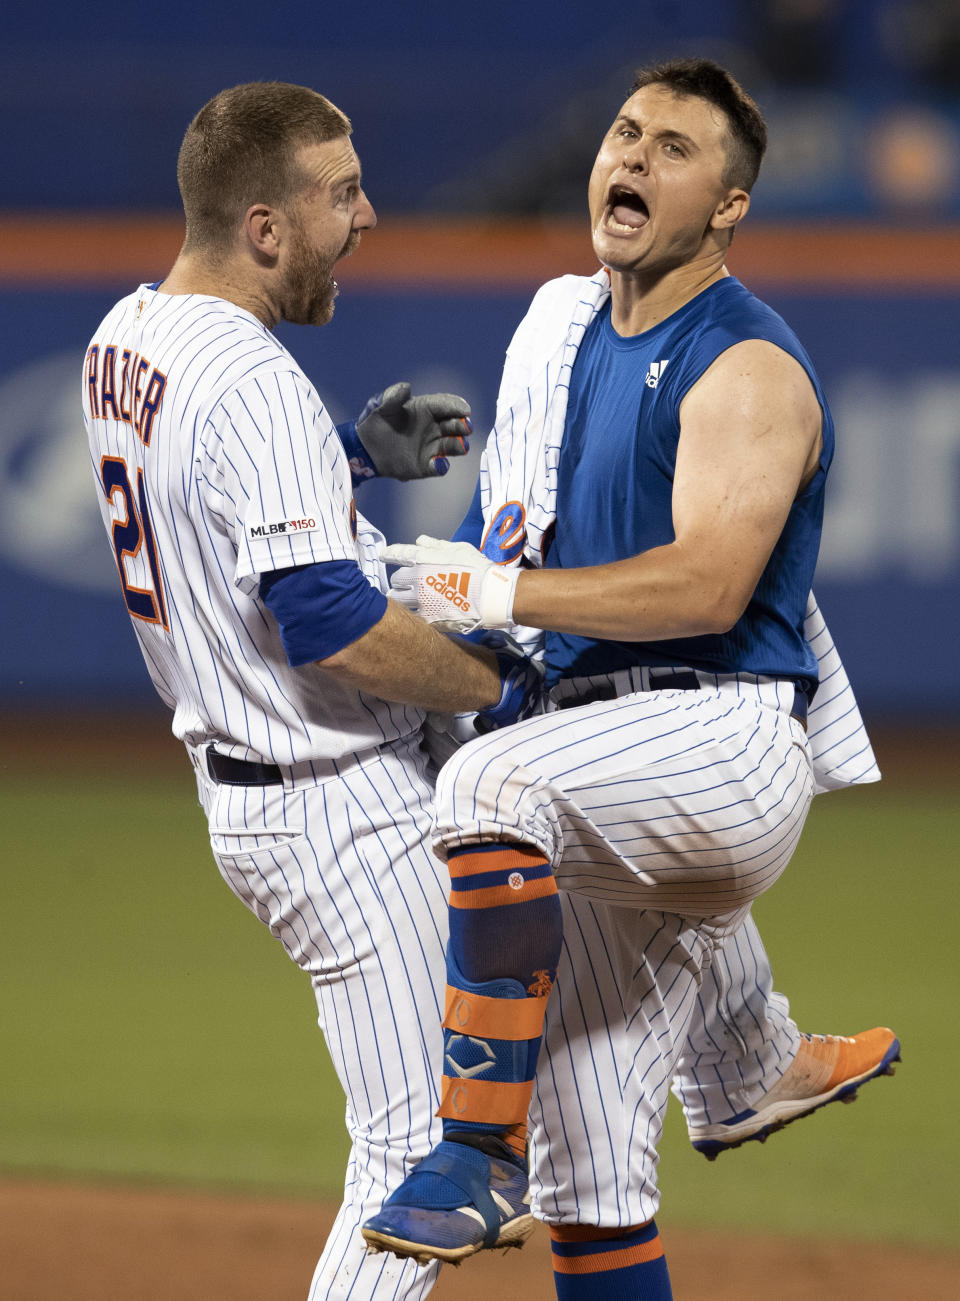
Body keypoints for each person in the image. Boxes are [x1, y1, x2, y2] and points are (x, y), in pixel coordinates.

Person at [362, 59, 900, 1298]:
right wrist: (464, 583)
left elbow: (709, 587)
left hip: (719, 742)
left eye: (675, 148)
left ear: (728, 207)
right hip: (597, 761)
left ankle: (468, 1149)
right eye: (624, 131)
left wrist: (494, 596)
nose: (634, 155)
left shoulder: (749, 363)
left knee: (487, 788)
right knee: (594, 1172)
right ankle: (746, 1052)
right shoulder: (567, 333)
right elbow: (523, 562)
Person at [80, 80, 546, 1301]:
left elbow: (202, 487)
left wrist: (341, 457)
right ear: (265, 227)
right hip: (337, 803)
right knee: (416, 1156)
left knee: (493, 1119)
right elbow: (331, 624)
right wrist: (492, 691)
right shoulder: (252, 381)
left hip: (258, 789)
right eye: (341, 193)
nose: (370, 214)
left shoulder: (124, 337)